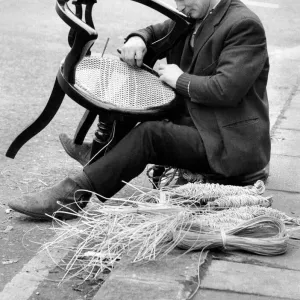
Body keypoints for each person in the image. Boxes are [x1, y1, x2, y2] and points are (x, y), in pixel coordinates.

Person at [8, 0, 271, 220]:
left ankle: (72, 195)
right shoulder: (197, 13)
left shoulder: (243, 25)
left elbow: (227, 90)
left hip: (228, 145)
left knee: (150, 135)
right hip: (198, 120)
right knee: (134, 84)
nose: (179, 5)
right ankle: (103, 155)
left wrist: (179, 79)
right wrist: (138, 39)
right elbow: (156, 31)